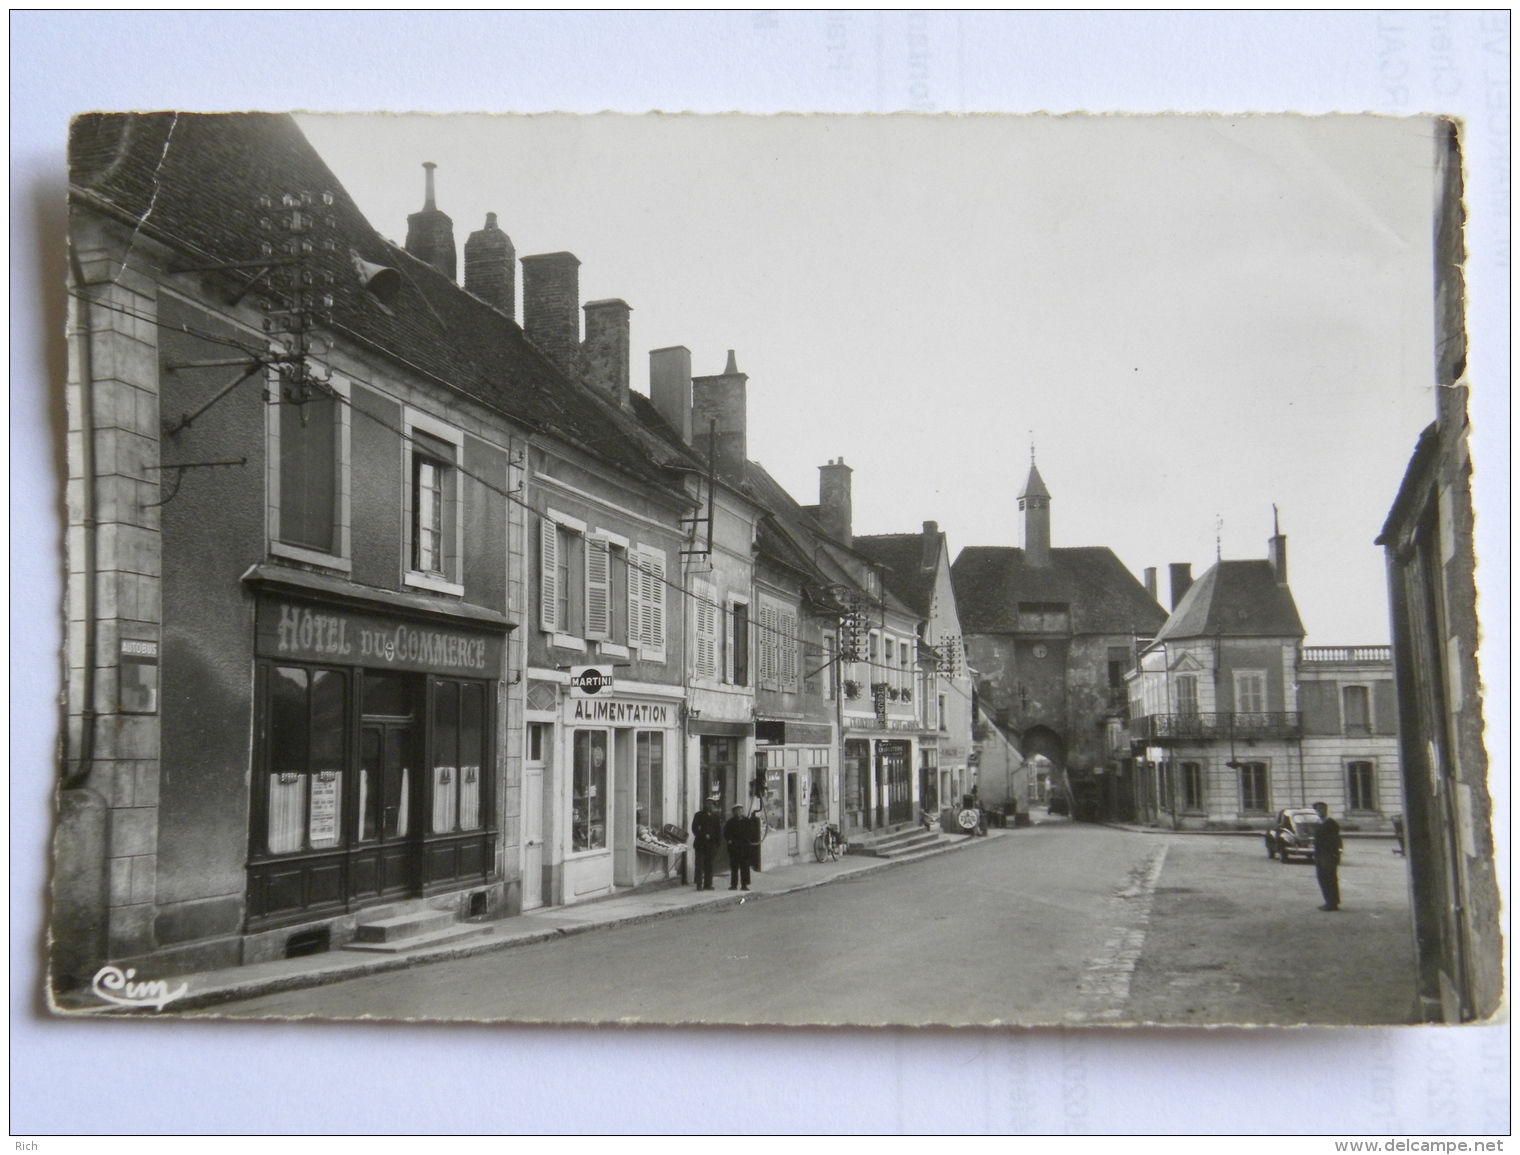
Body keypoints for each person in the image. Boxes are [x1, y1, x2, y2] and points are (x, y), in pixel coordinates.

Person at [1312, 801, 1342, 911]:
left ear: (1326, 809)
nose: (1319, 811)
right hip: (1320, 855)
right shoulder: (1320, 823)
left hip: (1328, 855)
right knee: (1323, 878)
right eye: (1317, 809)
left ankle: (1332, 903)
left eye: (1321, 808)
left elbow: (1336, 840)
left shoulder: (1331, 823)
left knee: (1329, 879)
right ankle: (1329, 901)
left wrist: (1335, 855)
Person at [690, 799, 722, 891]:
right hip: (700, 844)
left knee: (709, 865)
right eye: (708, 803)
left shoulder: (715, 817)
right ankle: (699, 884)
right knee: (699, 864)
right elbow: (694, 828)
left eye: (712, 804)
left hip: (711, 845)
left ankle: (708, 884)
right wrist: (703, 835)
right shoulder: (699, 815)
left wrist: (717, 843)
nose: (710, 806)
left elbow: (718, 831)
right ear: (705, 804)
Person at [723, 804, 753, 890]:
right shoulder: (730, 822)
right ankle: (734, 885)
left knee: (745, 867)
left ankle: (744, 885)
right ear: (733, 812)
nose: (738, 812)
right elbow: (726, 833)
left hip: (745, 847)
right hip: (734, 848)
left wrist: (747, 841)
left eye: (739, 811)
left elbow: (751, 833)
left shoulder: (747, 821)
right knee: (734, 867)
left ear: (742, 811)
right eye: (736, 811)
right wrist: (729, 840)